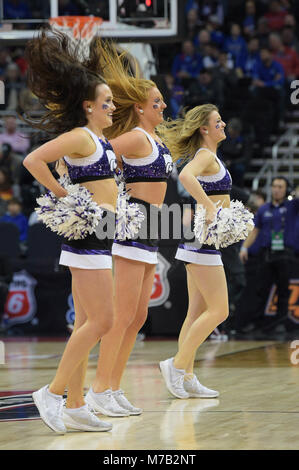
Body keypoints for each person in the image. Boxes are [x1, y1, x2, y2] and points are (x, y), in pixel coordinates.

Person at [70, 39, 173, 417]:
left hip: (151, 227)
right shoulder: (135, 137)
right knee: (122, 313)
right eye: (157, 102)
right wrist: (77, 176)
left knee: (139, 316)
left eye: (162, 101)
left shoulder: (156, 139)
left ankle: (112, 386)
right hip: (131, 226)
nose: (163, 106)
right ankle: (99, 389)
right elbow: (98, 151)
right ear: (140, 108)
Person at [22, 28, 118, 434]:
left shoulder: (99, 138)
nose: (112, 107)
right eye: (107, 102)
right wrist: (64, 193)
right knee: (103, 321)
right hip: (87, 237)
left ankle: (77, 405)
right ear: (88, 107)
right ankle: (53, 392)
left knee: (85, 321)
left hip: (105, 233)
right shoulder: (80, 135)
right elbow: (32, 160)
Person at [157, 104, 230, 399]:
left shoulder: (211, 155)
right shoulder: (205, 155)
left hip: (200, 241)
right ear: (204, 128)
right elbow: (186, 177)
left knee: (196, 312)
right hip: (202, 242)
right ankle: (175, 365)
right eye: (217, 121)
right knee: (219, 310)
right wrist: (210, 206)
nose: (223, 124)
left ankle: (187, 375)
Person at [240, 177, 299, 332]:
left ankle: (280, 323)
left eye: (280, 187)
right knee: (261, 289)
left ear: (286, 189)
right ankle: (257, 322)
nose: (276, 189)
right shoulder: (264, 209)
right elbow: (255, 231)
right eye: (274, 186)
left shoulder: (293, 206)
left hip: (285, 254)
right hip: (266, 254)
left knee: (283, 290)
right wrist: (244, 248)